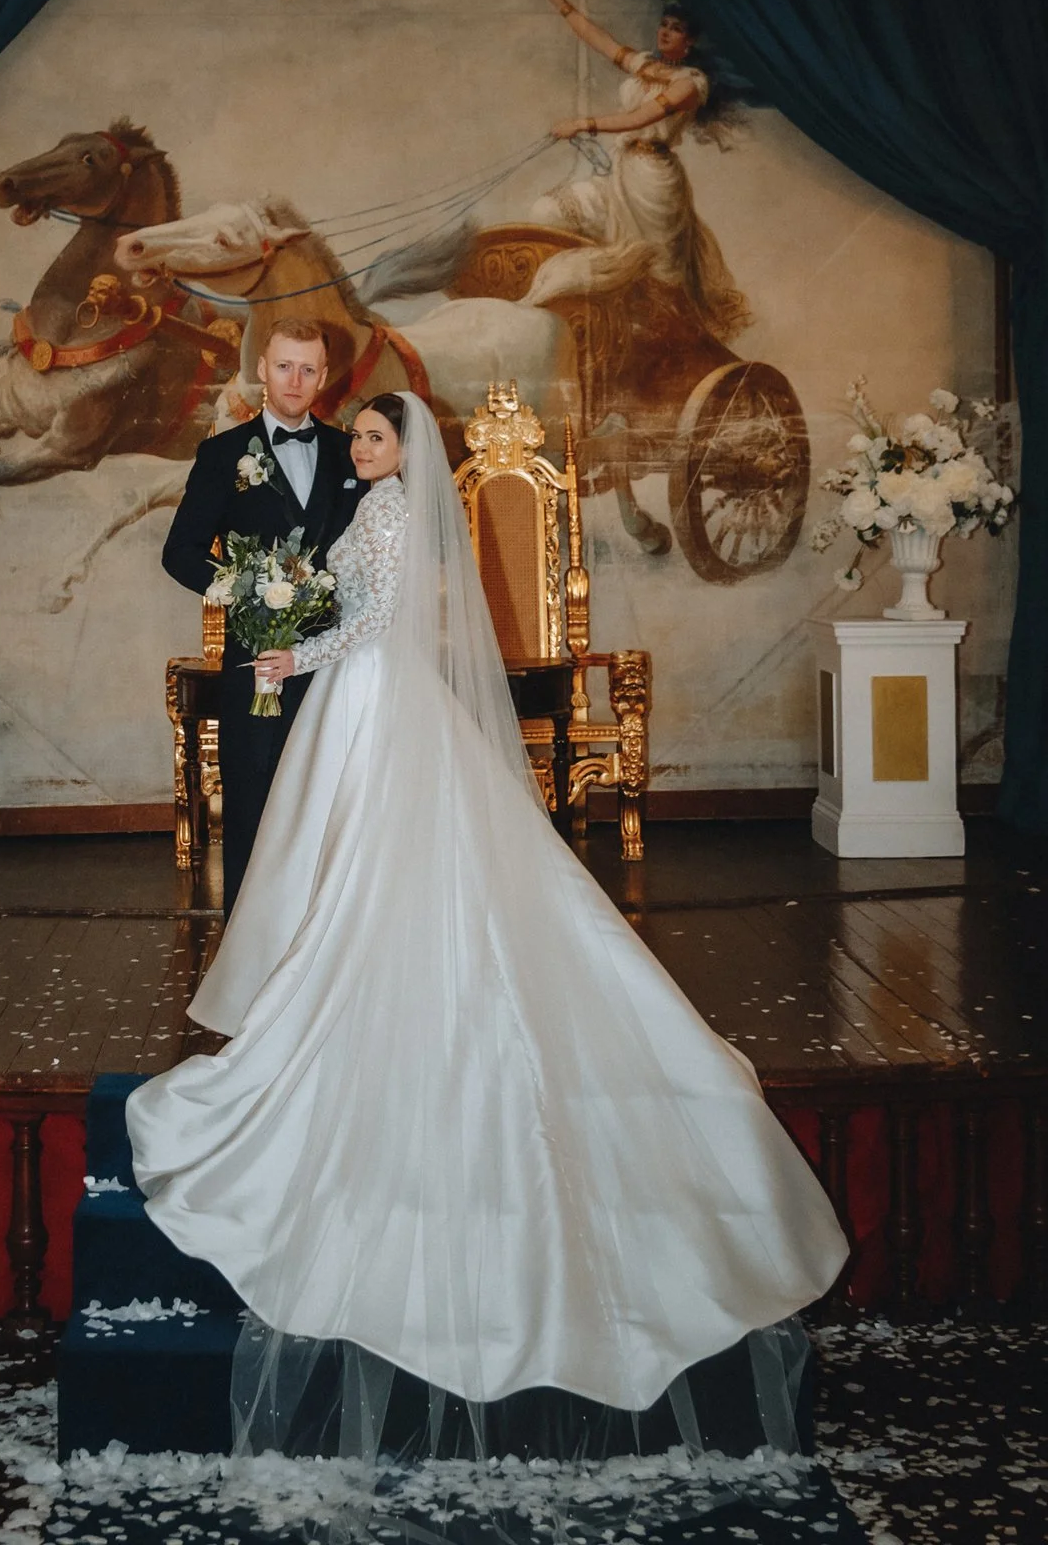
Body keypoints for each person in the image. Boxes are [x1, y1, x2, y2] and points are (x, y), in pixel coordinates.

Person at [128, 390, 847, 1464]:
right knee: (388, 861)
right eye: (359, 437)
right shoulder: (399, 508)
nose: (358, 446)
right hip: (384, 695)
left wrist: (291, 658)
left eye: (371, 436)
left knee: (364, 862)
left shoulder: (382, 509)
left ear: (397, 446)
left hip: (368, 696)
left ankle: (362, 997)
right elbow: (362, 608)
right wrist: (296, 627)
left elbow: (366, 622)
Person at [160, 316, 366, 918]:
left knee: (333, 798)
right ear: (261, 371)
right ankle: (248, 944)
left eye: (308, 369)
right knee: (253, 799)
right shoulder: (223, 454)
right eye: (284, 366)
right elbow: (179, 553)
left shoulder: (348, 450)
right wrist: (244, 590)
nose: (295, 380)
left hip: (337, 661)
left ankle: (329, 934)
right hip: (256, 663)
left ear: (324, 376)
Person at [527, 0, 750, 341]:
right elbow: (601, 41)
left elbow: (643, 116)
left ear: (689, 42)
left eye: (675, 28)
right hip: (620, 171)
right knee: (548, 212)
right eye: (663, 25)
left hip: (654, 183)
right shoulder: (648, 65)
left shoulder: (691, 84)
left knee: (659, 276)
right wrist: (564, 6)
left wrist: (583, 123)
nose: (664, 32)